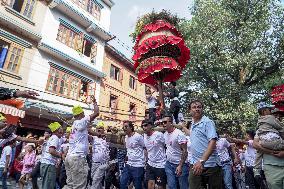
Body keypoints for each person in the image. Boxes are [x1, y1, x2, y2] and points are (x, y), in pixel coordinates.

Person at [63, 98, 99, 189]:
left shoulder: (75, 124)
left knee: (70, 185)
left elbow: (89, 131)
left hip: (70, 158)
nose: (84, 114)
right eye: (83, 113)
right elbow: (96, 113)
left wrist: (98, 134)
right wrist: (94, 102)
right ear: (80, 114)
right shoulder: (81, 121)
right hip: (77, 159)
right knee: (79, 186)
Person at [188, 99, 222, 189]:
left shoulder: (207, 122)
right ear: (190, 110)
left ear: (202, 109)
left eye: (199, 107)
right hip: (195, 165)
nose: (197, 109)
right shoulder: (192, 124)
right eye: (194, 107)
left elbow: (213, 141)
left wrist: (202, 161)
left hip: (210, 166)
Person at [253, 103, 284, 189]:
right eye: (275, 115)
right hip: (271, 168)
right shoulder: (261, 130)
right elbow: (256, 146)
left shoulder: (279, 128)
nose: (277, 117)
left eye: (280, 115)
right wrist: (257, 170)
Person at [163, 114, 188, 189]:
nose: (163, 124)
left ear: (171, 123)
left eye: (165, 122)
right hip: (169, 164)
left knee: (183, 186)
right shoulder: (165, 134)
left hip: (181, 165)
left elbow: (185, 151)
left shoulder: (179, 134)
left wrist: (180, 165)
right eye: (162, 123)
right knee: (171, 186)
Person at [142, 119, 167, 189]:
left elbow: (166, 145)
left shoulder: (158, 135)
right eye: (142, 126)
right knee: (150, 185)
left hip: (160, 165)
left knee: (160, 186)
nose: (144, 127)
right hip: (150, 164)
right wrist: (146, 161)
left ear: (151, 126)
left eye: (146, 125)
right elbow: (146, 149)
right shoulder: (144, 136)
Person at [120, 121, 145, 189]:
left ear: (131, 127)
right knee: (122, 183)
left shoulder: (138, 136)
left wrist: (145, 162)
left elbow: (144, 147)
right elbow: (128, 149)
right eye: (123, 127)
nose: (124, 128)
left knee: (137, 185)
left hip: (138, 165)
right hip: (128, 165)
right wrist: (126, 157)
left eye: (126, 127)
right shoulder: (126, 137)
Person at [40, 122, 64, 189]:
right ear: (57, 130)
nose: (62, 130)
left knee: (45, 184)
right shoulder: (55, 138)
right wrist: (61, 155)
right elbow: (51, 151)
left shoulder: (53, 137)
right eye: (61, 128)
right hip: (49, 165)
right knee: (48, 186)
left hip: (45, 163)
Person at [88, 121, 110, 189]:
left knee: (96, 179)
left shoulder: (107, 138)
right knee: (96, 180)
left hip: (103, 163)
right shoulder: (94, 138)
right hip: (95, 163)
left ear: (104, 130)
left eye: (101, 128)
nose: (99, 129)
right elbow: (87, 133)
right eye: (98, 128)